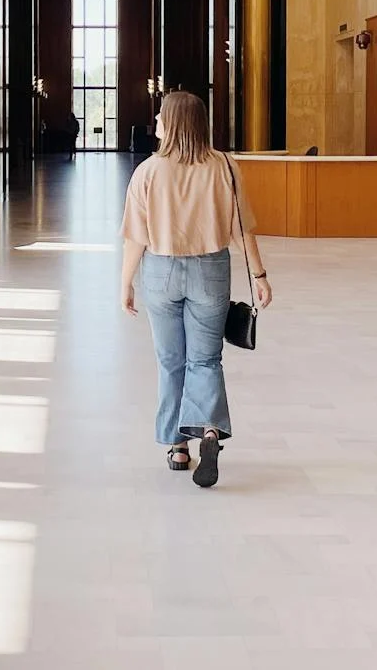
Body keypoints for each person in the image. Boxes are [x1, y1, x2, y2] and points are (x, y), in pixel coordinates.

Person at [119, 91, 273, 488]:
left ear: (173, 124)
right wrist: (259, 276)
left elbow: (136, 238)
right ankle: (207, 431)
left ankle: (176, 446)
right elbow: (242, 229)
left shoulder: (149, 172)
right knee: (205, 360)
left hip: (161, 272)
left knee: (171, 361)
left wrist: (125, 284)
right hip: (210, 271)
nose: (155, 120)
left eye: (160, 116)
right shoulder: (223, 166)